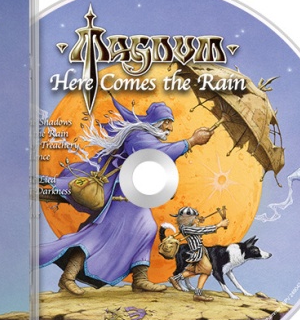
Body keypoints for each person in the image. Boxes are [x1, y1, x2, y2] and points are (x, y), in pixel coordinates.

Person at [40, 98, 214, 294]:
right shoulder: (138, 137)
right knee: (97, 236)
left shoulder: (148, 139)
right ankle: (67, 277)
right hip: (119, 200)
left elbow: (156, 166)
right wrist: (191, 141)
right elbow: (157, 153)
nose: (170, 128)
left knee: (147, 229)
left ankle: (140, 279)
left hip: (136, 201)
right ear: (155, 121)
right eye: (167, 122)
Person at [168, 206, 228, 302]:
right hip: (198, 253)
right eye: (195, 218)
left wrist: (198, 221)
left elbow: (196, 228)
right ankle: (197, 294)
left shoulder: (186, 226)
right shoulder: (186, 228)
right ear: (188, 219)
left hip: (200, 252)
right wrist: (219, 225)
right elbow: (201, 230)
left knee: (196, 271)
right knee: (207, 271)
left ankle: (176, 279)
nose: (196, 219)